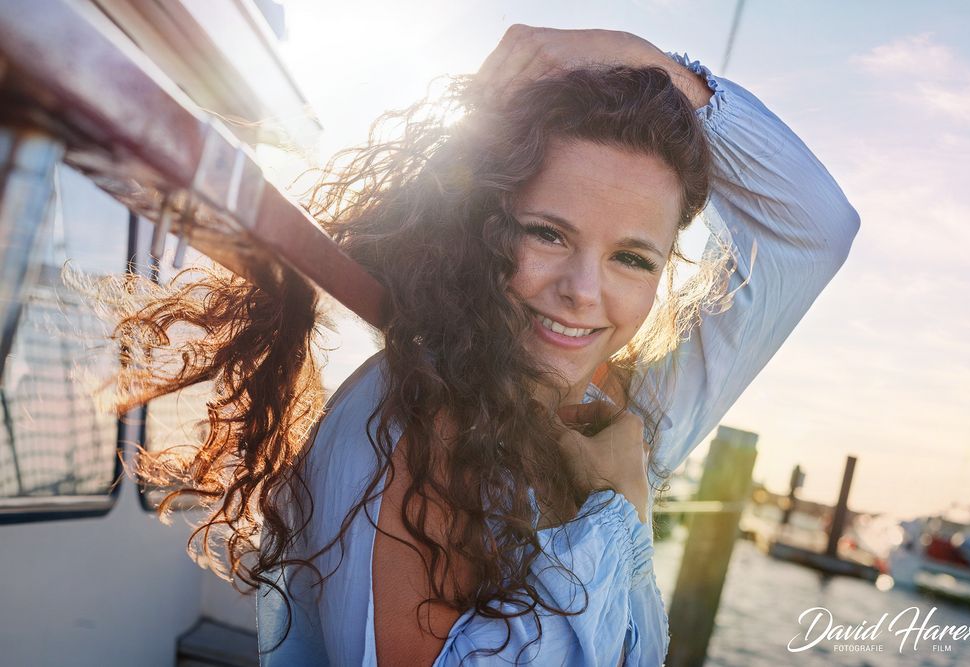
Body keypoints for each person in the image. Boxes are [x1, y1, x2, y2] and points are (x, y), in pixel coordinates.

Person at [117, 26, 859, 666]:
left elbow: (818, 228)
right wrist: (617, 513)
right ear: (480, 224)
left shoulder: (609, 409)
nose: (582, 291)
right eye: (549, 232)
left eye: (633, 258)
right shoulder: (411, 425)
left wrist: (641, 59)